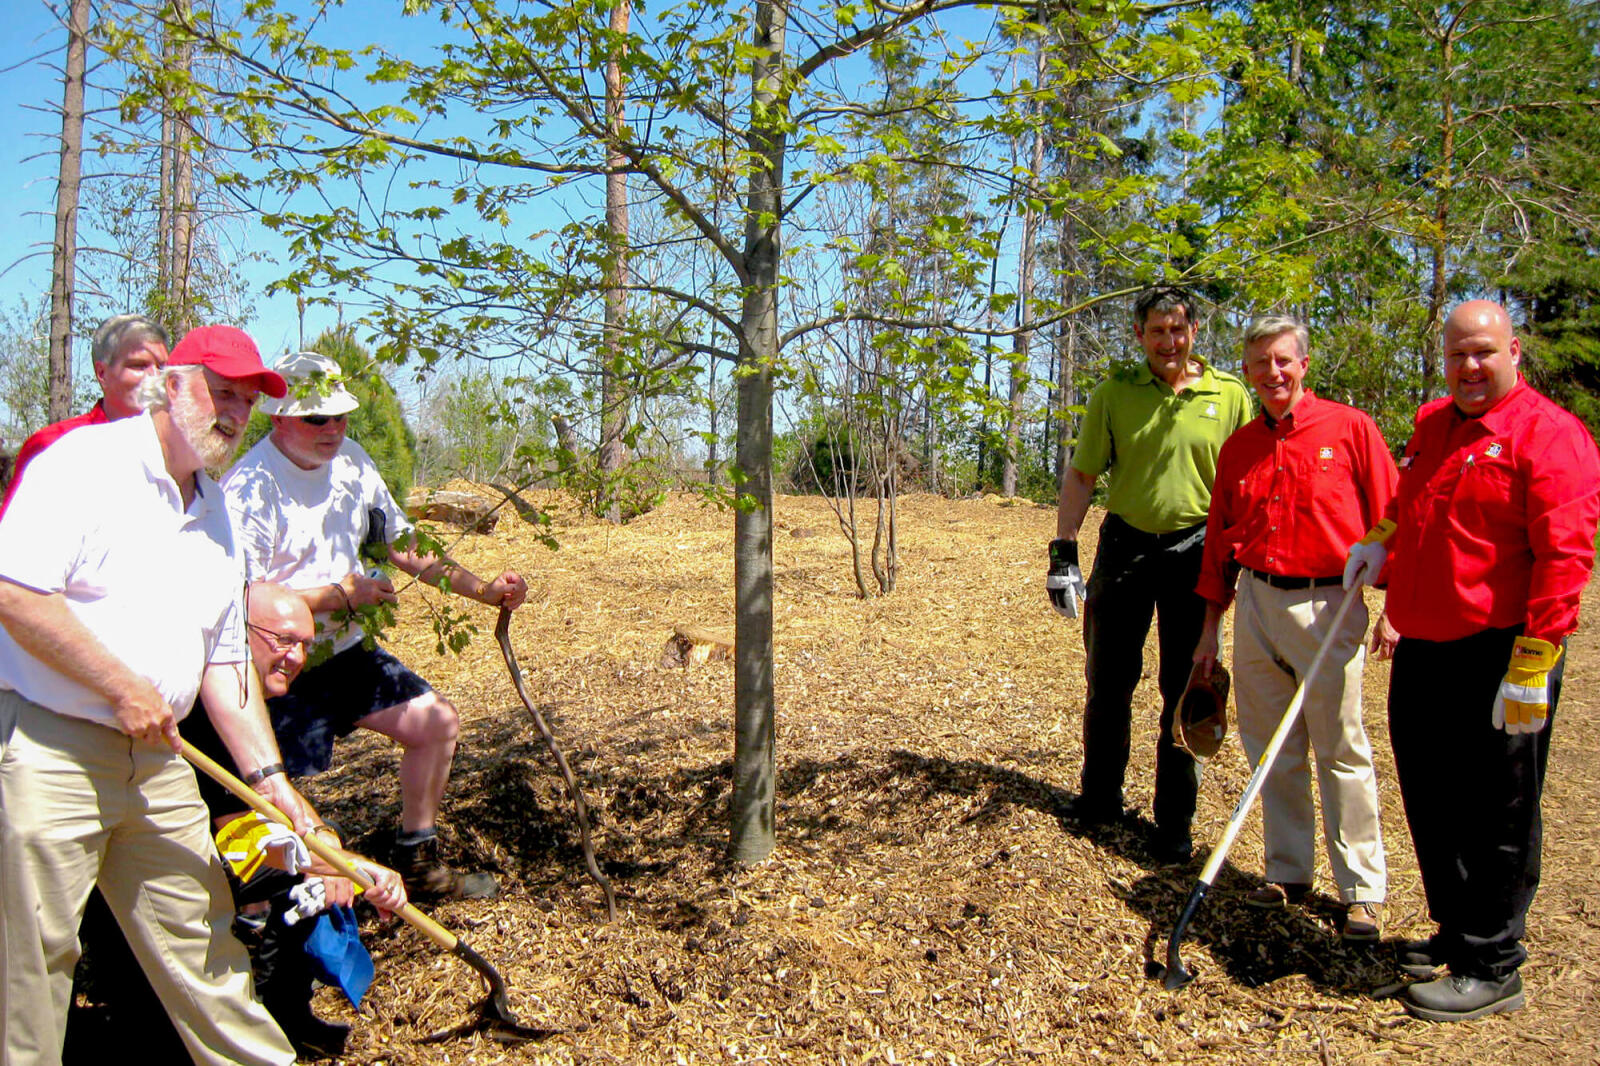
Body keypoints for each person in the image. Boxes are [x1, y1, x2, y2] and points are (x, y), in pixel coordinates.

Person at [0, 325, 310, 1065]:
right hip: (52, 749)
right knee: (35, 963)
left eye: (246, 402)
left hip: (159, 763)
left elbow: (227, 668)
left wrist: (272, 783)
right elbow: (14, 591)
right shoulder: (82, 465)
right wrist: (120, 684)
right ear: (171, 385)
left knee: (208, 950)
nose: (233, 415)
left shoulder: (219, 511)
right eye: (221, 392)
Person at [1345, 299, 1600, 1022]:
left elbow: (1565, 557)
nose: (1470, 366)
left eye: (1483, 351)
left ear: (1513, 352)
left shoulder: (1551, 437)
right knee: (1433, 797)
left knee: (1500, 809)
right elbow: (1407, 501)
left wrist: (1533, 662)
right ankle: (1456, 931)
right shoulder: (1434, 425)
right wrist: (1381, 542)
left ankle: (1494, 962)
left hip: (1503, 649)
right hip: (1424, 643)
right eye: (1457, 354)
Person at [223, 350, 528, 899]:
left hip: (346, 654)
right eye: (317, 418)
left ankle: (416, 861)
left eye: (339, 416)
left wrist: (482, 590)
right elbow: (238, 602)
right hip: (279, 669)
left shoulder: (354, 463)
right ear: (278, 417)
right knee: (273, 799)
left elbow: (403, 542)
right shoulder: (249, 489)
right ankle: (273, 909)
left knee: (435, 724)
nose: (333, 428)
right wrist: (339, 595)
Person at [1191, 316, 1394, 940]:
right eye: (1260, 363)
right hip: (1254, 600)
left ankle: (1360, 888)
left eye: (1283, 361)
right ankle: (1287, 872)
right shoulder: (1241, 446)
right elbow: (1218, 546)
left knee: (1340, 746)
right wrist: (1209, 631)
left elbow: (1394, 517)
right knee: (1269, 746)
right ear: (1247, 372)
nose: (1272, 373)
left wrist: (1397, 610)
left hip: (1329, 604)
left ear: (1303, 364)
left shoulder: (1350, 429)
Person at [1051, 286, 1253, 863]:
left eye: (1178, 329)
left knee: (1184, 688)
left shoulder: (1230, 396)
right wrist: (1063, 549)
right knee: (1109, 679)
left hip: (1197, 550)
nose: (1168, 341)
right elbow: (1084, 475)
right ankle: (1099, 800)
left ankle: (1174, 825)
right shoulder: (1116, 392)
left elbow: (1247, 484)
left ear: (1193, 332)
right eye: (1156, 331)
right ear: (1139, 336)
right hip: (1126, 545)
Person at [1, 314, 169, 516]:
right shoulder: (52, 444)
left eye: (162, 367)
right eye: (139, 366)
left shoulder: (174, 450)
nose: (155, 377)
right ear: (102, 374)